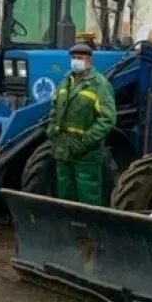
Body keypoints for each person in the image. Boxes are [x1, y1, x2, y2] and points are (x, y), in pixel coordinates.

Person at [45, 43, 117, 205]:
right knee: (65, 194)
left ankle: (89, 227)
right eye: (74, 58)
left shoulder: (99, 85)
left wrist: (86, 140)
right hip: (63, 149)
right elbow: (55, 108)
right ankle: (67, 226)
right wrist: (52, 131)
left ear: (89, 61)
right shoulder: (65, 82)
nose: (76, 61)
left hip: (86, 152)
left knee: (88, 195)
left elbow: (107, 119)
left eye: (80, 58)